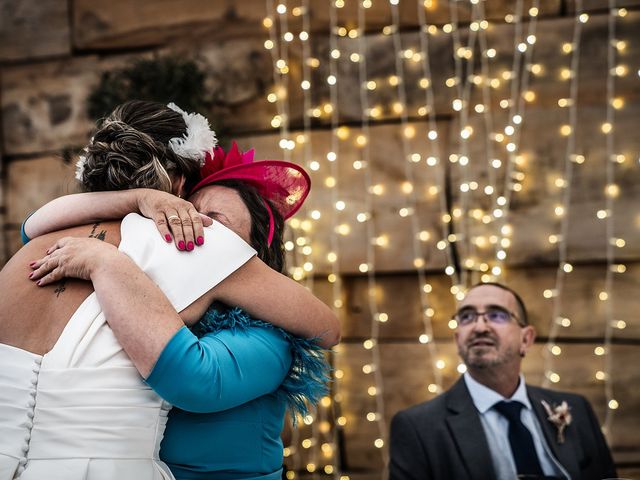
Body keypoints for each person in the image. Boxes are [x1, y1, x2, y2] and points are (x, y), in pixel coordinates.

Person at [0, 100, 338, 479]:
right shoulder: (191, 248)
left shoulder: (31, 249)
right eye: (191, 209)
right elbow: (327, 327)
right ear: (178, 187)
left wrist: (111, 250)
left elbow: (33, 223)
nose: (194, 223)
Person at [389, 282, 617, 480]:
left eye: (497, 315)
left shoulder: (576, 409)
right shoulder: (417, 427)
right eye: (467, 317)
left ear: (526, 339)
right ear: (458, 339)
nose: (479, 327)